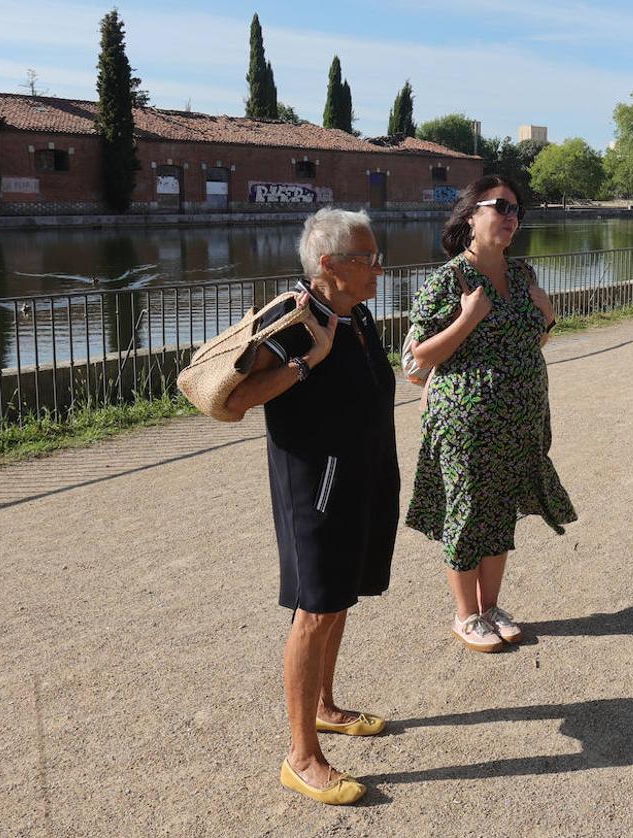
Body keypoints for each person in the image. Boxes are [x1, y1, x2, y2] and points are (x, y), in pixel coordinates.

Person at [224, 208, 399, 804]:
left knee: (341, 598)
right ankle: (301, 757)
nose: (379, 267)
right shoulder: (292, 320)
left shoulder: (354, 313)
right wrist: (305, 363)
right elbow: (235, 400)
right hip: (316, 488)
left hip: (364, 478)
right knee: (315, 609)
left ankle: (324, 706)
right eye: (368, 258)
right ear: (329, 264)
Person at [405, 175, 577, 653]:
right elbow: (415, 361)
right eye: (499, 206)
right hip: (466, 422)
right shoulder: (448, 280)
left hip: (520, 419)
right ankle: (466, 615)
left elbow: (531, 340)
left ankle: (492, 607)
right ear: (470, 216)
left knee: (499, 511)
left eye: (516, 210)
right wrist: (466, 318)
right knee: (466, 512)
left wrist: (548, 317)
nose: (510, 216)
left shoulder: (524, 275)